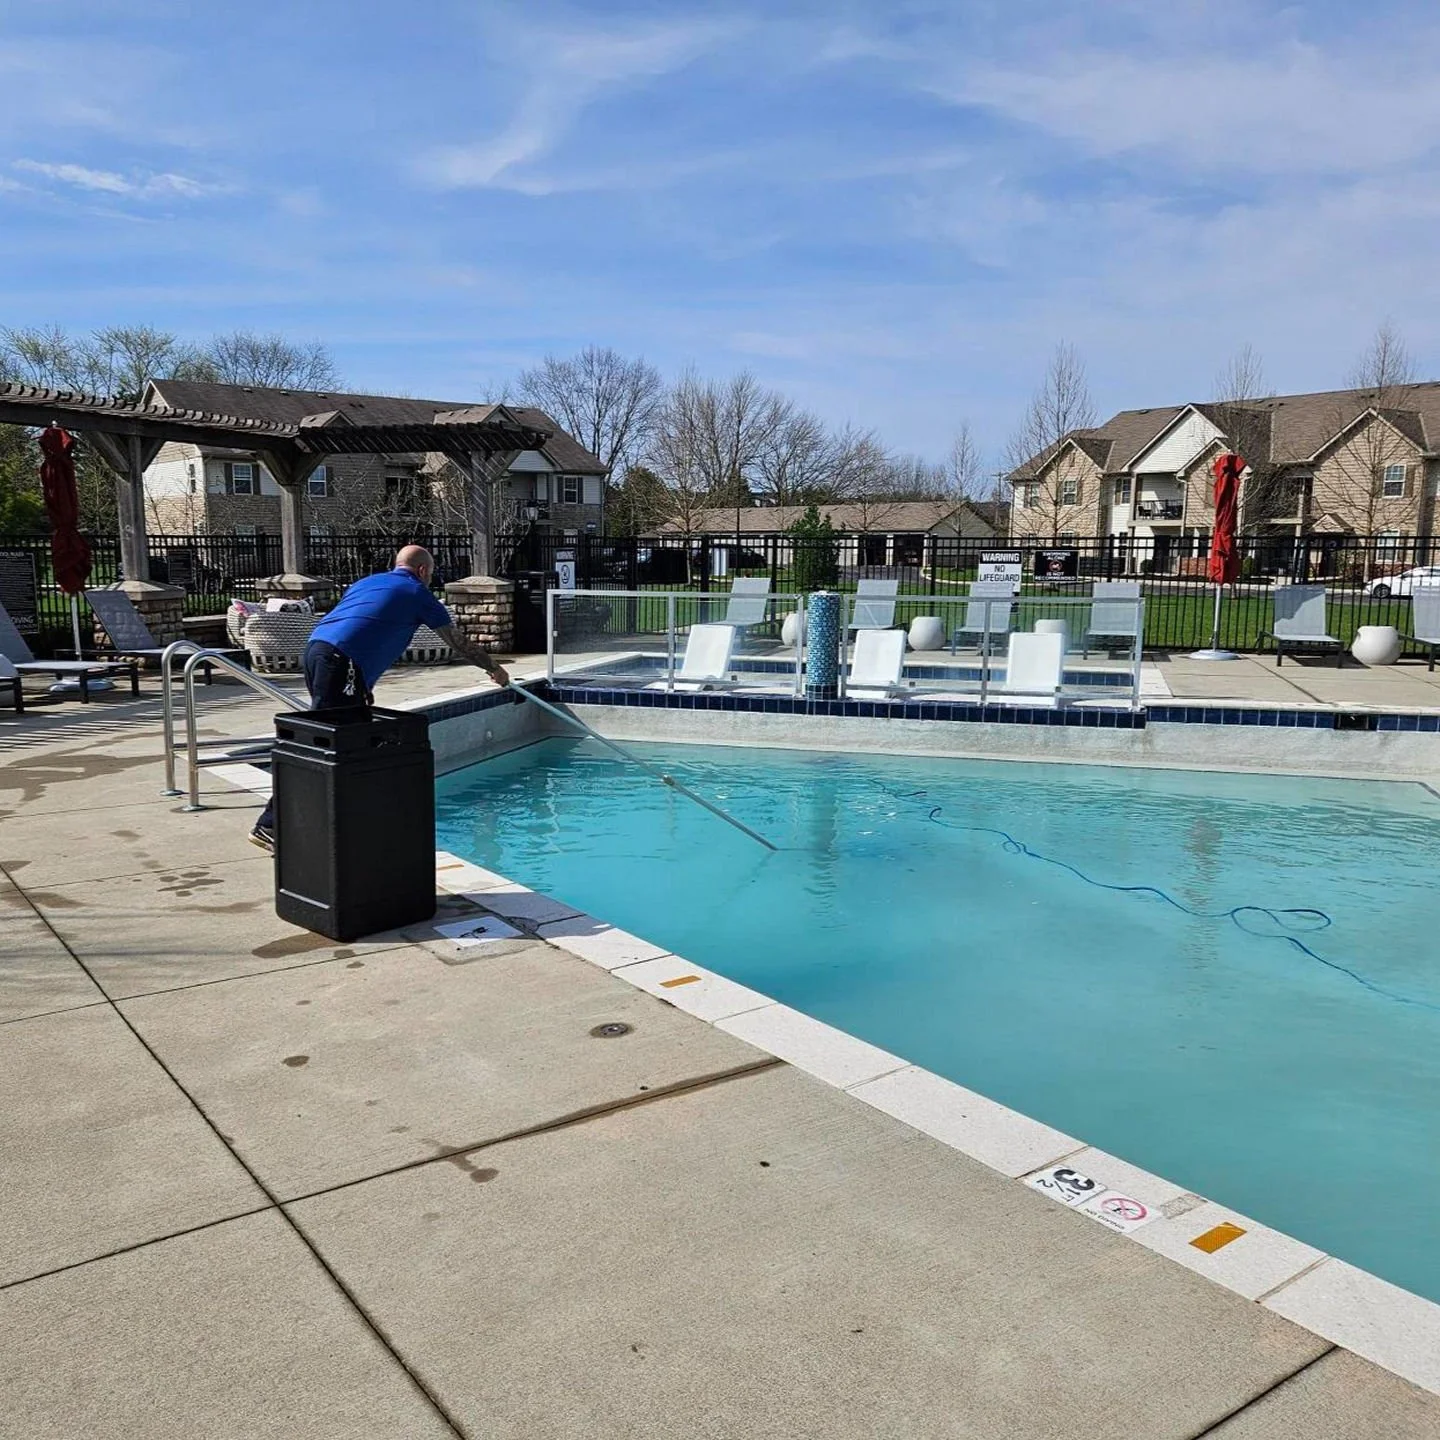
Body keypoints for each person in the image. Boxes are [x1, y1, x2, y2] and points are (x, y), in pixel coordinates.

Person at [249, 545, 509, 851]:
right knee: (321, 746)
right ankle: (270, 825)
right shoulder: (416, 592)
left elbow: (361, 624)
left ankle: (338, 822)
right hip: (339, 661)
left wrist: (360, 685)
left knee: (351, 744)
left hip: (318, 651)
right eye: (431, 572)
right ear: (423, 570)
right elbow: (458, 642)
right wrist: (494, 668)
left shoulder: (367, 582)